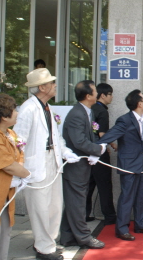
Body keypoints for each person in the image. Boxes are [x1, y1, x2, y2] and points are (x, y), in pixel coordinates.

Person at [14, 68, 80, 260]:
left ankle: (49, 242)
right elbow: (19, 140)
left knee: (54, 205)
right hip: (36, 163)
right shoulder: (28, 108)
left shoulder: (46, 107)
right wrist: (20, 171)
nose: (54, 86)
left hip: (52, 160)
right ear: (42, 87)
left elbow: (56, 137)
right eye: (51, 83)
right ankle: (43, 248)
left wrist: (67, 153)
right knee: (40, 207)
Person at [98, 90, 143, 241]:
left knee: (141, 196)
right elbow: (109, 136)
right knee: (127, 197)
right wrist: (94, 150)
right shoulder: (124, 120)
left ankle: (141, 224)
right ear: (139, 104)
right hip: (129, 165)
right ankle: (122, 229)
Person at [60, 80, 106, 249]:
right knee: (78, 203)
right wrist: (97, 150)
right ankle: (84, 237)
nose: (98, 94)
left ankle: (66, 236)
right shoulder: (77, 114)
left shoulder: (88, 112)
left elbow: (91, 135)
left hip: (83, 165)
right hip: (75, 167)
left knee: (73, 202)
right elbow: (79, 141)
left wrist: (95, 149)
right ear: (88, 96)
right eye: (95, 92)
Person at [0, 94, 31, 260]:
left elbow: (19, 155)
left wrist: (21, 172)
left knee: (6, 230)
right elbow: (8, 164)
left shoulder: (10, 133)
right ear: (4, 116)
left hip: (6, 192)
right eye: (14, 110)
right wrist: (26, 174)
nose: (17, 113)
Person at [86, 83, 117, 225]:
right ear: (103, 95)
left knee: (90, 185)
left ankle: (85, 213)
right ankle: (110, 216)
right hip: (100, 152)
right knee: (105, 185)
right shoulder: (103, 111)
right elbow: (102, 134)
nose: (111, 97)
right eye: (110, 94)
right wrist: (113, 144)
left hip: (88, 151)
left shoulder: (91, 108)